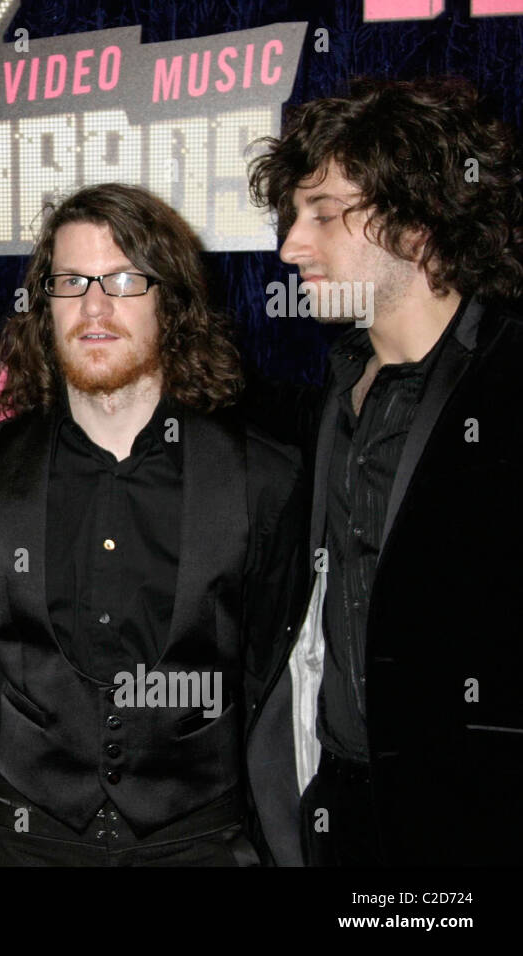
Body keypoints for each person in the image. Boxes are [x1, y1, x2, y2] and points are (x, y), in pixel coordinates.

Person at [0, 183, 307, 866]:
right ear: (43, 306)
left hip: (203, 848)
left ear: (172, 301)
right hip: (23, 845)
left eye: (125, 280)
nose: (94, 307)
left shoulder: (263, 478)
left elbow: (271, 693)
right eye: (71, 281)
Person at [246, 76, 523, 865]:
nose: (291, 246)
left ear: (420, 216)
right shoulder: (330, 396)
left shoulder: (509, 384)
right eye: (293, 216)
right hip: (340, 810)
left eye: (325, 214)